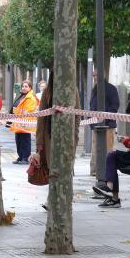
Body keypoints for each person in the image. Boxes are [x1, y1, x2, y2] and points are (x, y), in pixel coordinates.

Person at [34, 73, 80, 210]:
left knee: (66, 168)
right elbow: (41, 118)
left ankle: (65, 197)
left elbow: (77, 115)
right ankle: (51, 199)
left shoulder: (73, 90)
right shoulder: (47, 91)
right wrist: (39, 141)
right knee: (52, 169)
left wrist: (75, 135)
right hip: (50, 137)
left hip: (68, 137)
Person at [92, 99, 130, 208]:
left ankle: (112, 194)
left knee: (112, 156)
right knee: (112, 157)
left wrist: (128, 143)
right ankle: (112, 193)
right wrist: (127, 140)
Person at [89, 69, 120, 176]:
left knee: (108, 148)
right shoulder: (95, 89)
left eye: (96, 75)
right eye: (93, 75)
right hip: (96, 124)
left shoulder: (111, 89)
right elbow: (92, 105)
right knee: (95, 149)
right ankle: (95, 170)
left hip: (108, 125)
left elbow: (114, 106)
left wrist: (105, 119)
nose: (94, 77)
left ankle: (108, 170)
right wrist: (92, 120)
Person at [9, 80, 38, 164]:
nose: (24, 88)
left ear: (30, 88)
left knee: (25, 140)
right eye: (23, 86)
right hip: (18, 122)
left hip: (25, 123)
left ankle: (26, 158)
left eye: (26, 86)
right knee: (18, 140)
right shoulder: (22, 96)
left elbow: (28, 110)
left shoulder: (30, 98)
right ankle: (21, 156)